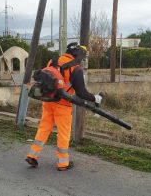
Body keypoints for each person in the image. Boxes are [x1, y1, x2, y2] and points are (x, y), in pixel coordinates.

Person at [25, 42, 103, 171]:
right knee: (63, 133)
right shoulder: (76, 69)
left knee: (44, 128)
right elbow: (81, 93)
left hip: (48, 101)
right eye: (82, 57)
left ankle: (32, 155)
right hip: (63, 105)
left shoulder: (53, 60)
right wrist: (95, 98)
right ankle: (63, 162)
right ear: (77, 54)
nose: (82, 60)